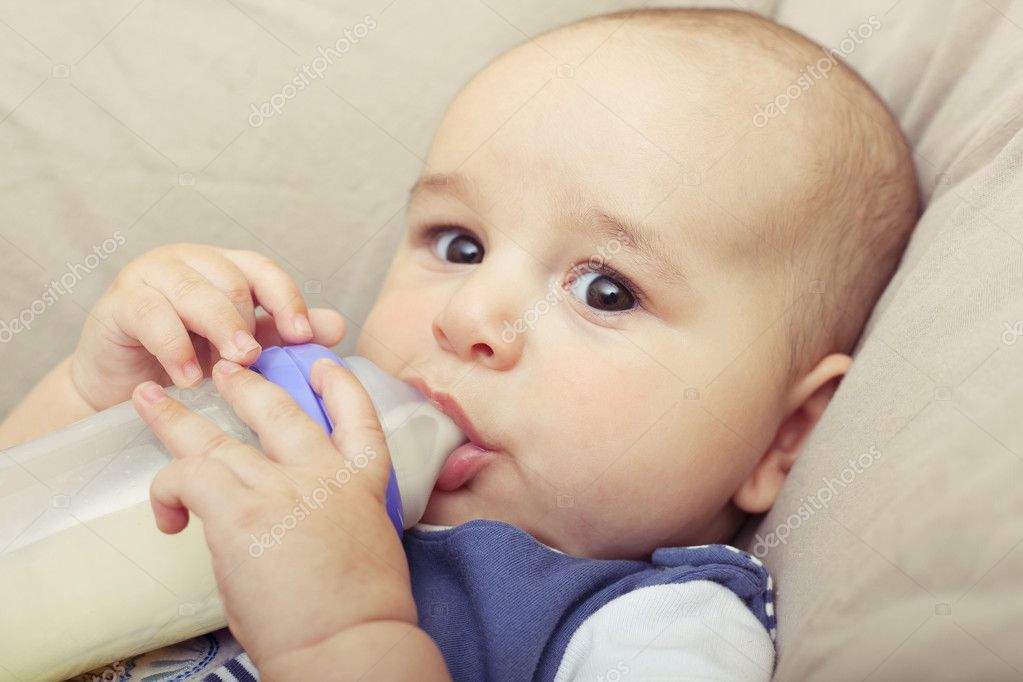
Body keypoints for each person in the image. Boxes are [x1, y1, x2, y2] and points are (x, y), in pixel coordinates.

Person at [0, 7, 919, 680]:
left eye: (605, 289)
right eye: (458, 244)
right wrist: (96, 407)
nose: (471, 315)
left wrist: (344, 634)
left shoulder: (651, 631)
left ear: (783, 438)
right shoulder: (274, 456)